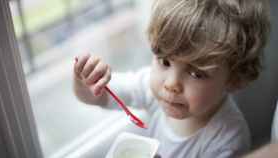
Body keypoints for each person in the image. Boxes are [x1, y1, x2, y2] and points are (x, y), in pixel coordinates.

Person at [73, 0, 270, 157]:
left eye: (196, 73)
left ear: (234, 79)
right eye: (165, 61)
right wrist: (86, 83)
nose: (171, 84)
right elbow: (98, 96)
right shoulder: (151, 88)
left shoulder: (227, 139)